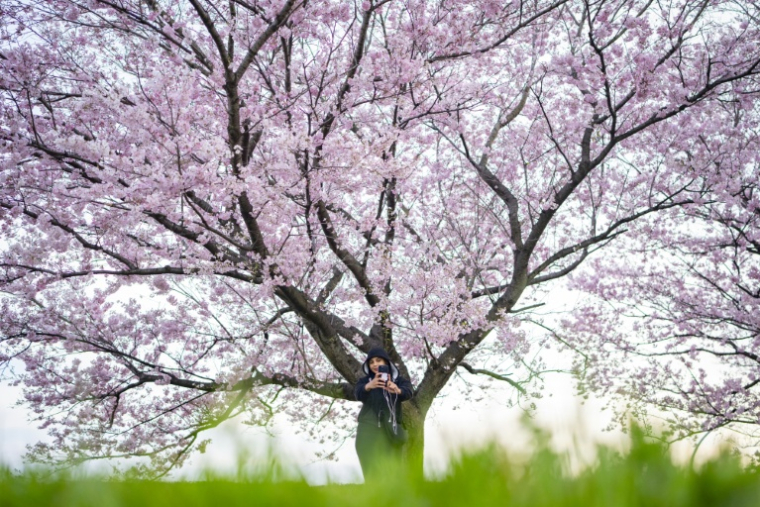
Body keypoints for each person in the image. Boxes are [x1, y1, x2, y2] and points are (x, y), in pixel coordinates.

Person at [354, 347, 414, 479]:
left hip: (391, 431)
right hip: (367, 430)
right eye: (371, 362)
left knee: (391, 474)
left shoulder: (399, 381)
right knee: (371, 474)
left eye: (378, 360)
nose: (375, 364)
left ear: (386, 363)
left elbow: (409, 392)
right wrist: (369, 386)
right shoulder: (365, 381)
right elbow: (358, 394)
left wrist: (398, 390)